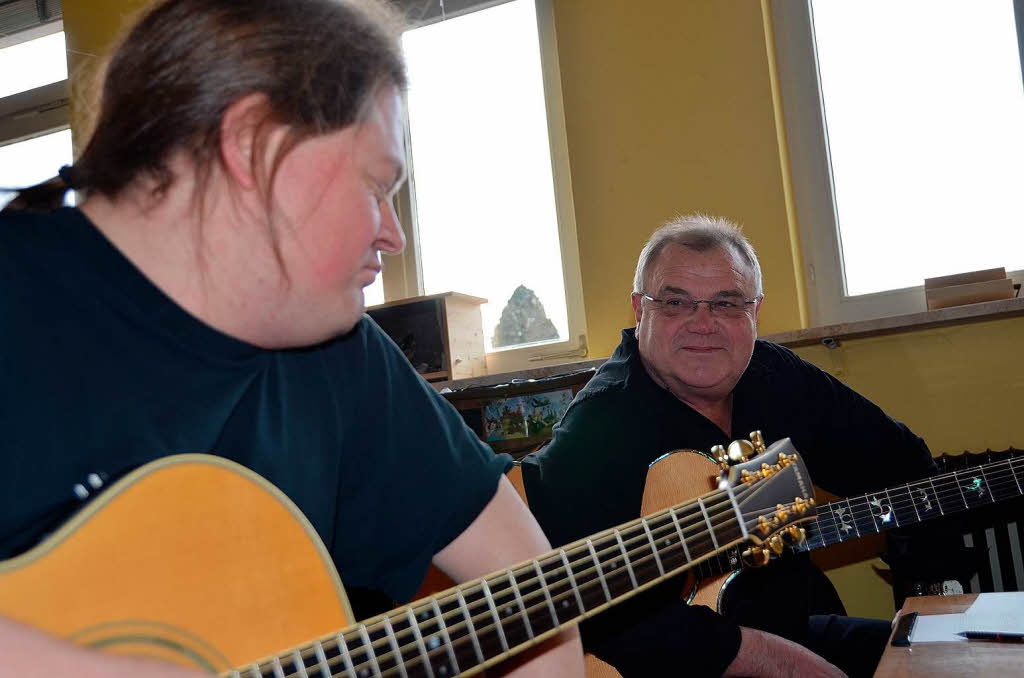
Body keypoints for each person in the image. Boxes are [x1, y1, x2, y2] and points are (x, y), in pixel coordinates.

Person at [0, 1, 583, 676]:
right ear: (252, 142)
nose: (393, 236)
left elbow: (534, 606)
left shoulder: (340, 354)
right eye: (377, 186)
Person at [522, 214, 957, 678]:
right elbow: (579, 606)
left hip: (787, 630)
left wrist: (930, 586)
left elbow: (902, 460)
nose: (702, 324)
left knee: (944, 661)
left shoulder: (776, 378)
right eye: (675, 302)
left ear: (755, 311)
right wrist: (775, 661)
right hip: (671, 664)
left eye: (727, 304)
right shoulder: (598, 426)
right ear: (639, 309)